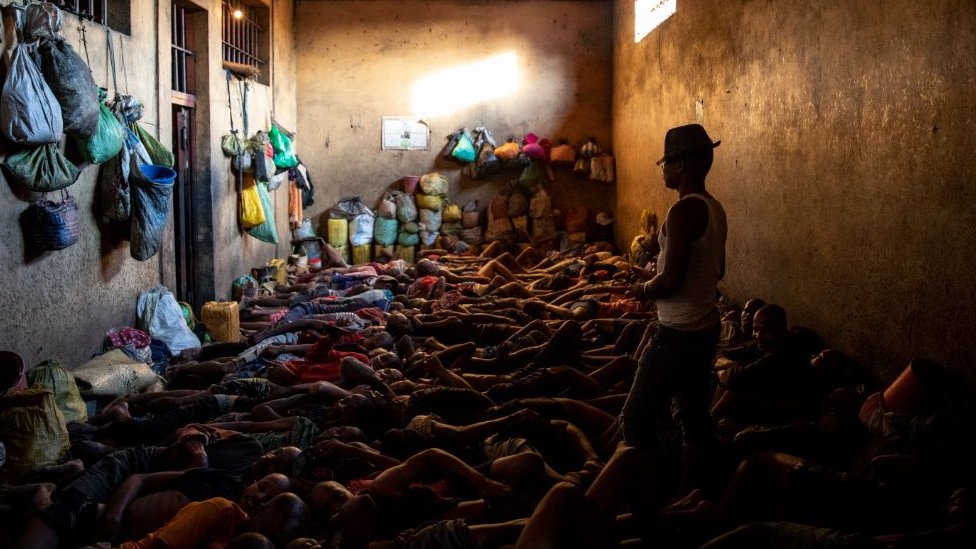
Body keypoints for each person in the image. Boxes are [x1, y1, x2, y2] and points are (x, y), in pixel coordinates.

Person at [622, 123, 728, 500]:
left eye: (666, 162)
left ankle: (650, 502)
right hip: (704, 328)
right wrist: (659, 270)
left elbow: (671, 283)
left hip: (677, 335)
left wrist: (641, 288)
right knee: (693, 417)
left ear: (681, 164)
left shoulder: (683, 211)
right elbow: (716, 270)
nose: (663, 169)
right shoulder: (715, 209)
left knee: (634, 420)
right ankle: (688, 493)